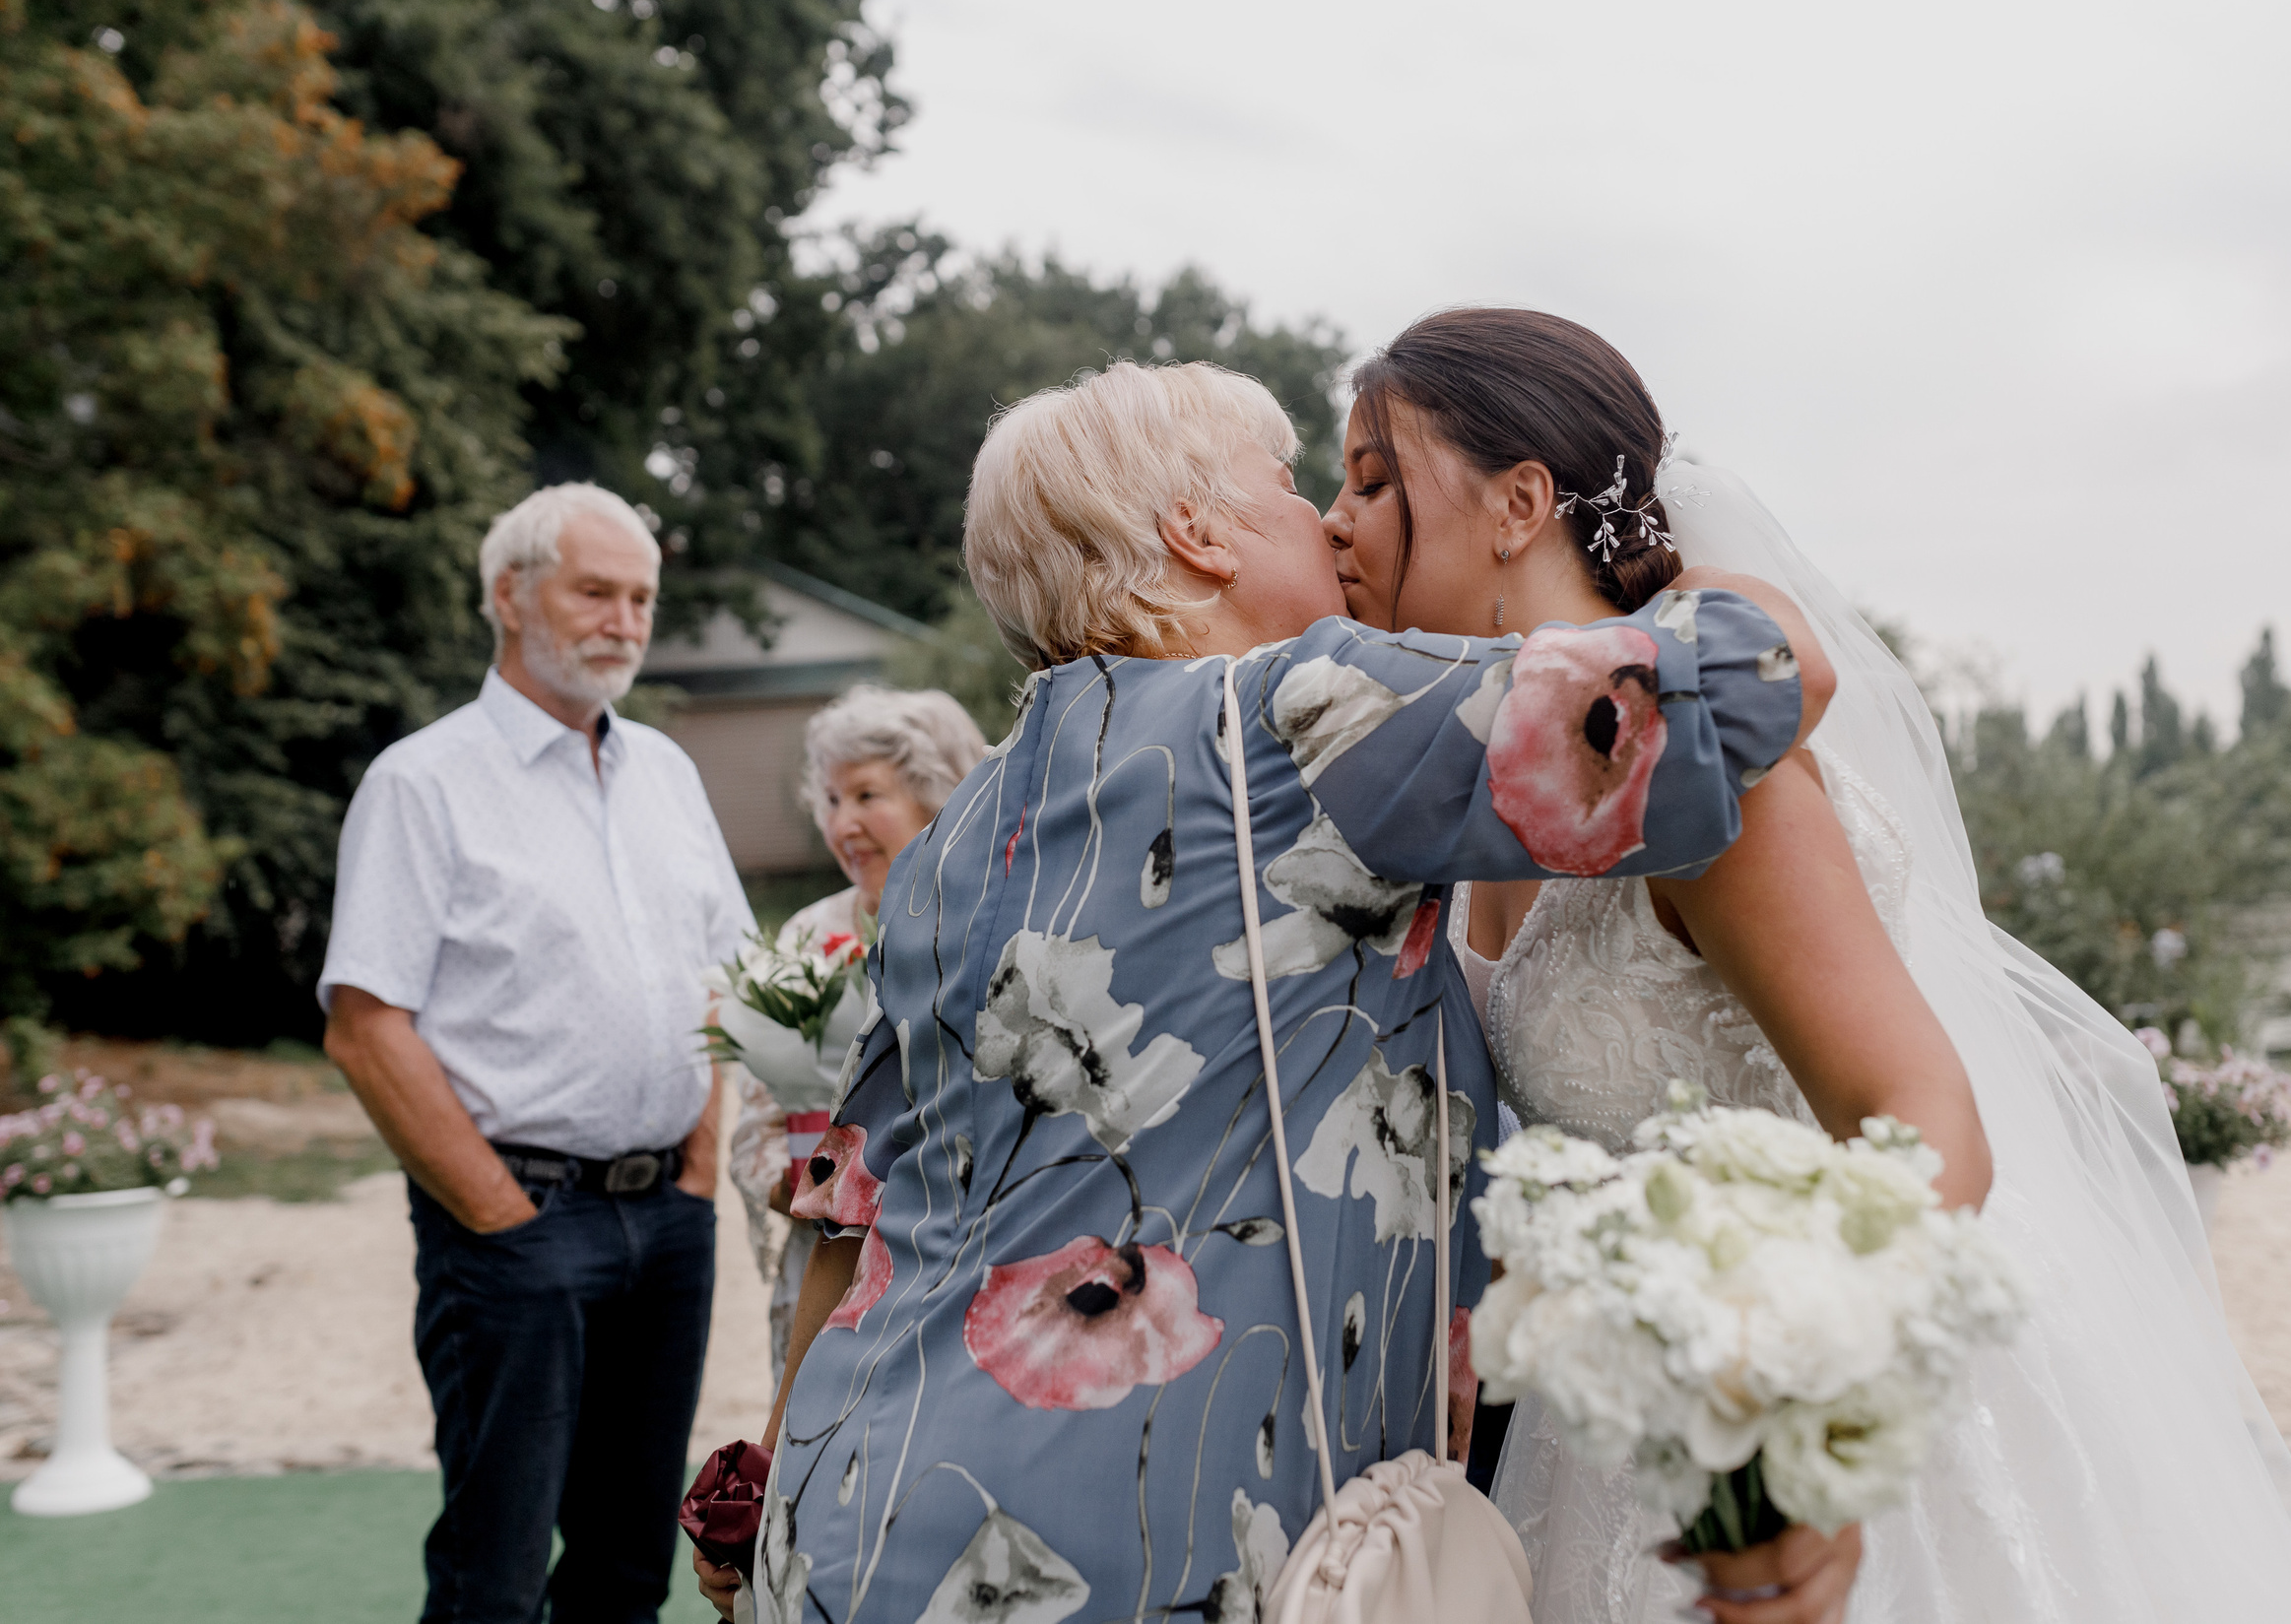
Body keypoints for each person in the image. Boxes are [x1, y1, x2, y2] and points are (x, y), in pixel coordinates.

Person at [697, 359, 1831, 1621]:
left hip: (855, 1504)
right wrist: (1689, 564)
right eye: (1288, 486)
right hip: (1131, 1535)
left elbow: (847, 1214)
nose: (1330, 523)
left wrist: (762, 1502)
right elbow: (1753, 679)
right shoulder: (1299, 712)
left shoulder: (953, 836)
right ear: (1195, 535)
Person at [1322, 308, 2291, 1624]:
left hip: (1820, 1423)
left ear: (1519, 500)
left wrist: (1803, 1413)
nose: (1334, 521)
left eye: (1373, 479)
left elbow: (1929, 1123)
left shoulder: (1710, 785)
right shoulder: (1483, 803)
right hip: (1616, 1431)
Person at [322, 483, 750, 1624]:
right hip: (516, 1231)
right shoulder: (421, 783)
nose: (624, 620)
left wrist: (702, 1167)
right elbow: (365, 1027)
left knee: (622, 1569)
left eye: (642, 597)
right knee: (495, 1578)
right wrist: (502, 1215)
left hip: (668, 1221)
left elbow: (726, 981)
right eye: (595, 591)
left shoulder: (668, 772)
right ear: (510, 597)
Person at [723, 684, 988, 1382]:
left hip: (948, 1266)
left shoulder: (987, 923)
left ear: (937, 797)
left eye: (868, 796)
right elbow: (755, 1131)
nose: (844, 822)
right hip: (824, 1269)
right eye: (832, 799)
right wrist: (807, 1173)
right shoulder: (807, 934)